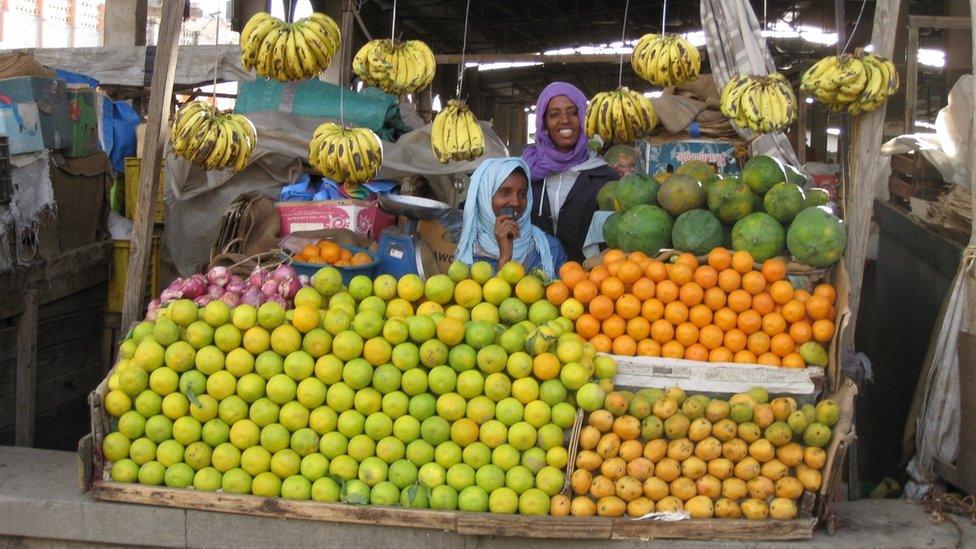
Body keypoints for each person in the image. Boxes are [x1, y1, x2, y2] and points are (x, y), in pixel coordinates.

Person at [523, 82, 619, 263]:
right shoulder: (525, 172)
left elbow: (614, 237)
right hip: (530, 281)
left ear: (585, 118)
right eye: (554, 115)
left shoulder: (605, 177)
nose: (565, 120)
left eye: (573, 112)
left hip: (588, 282)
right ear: (543, 121)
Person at [455, 157, 566, 279]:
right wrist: (505, 257)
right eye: (505, 193)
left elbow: (565, 293)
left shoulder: (549, 250)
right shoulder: (469, 254)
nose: (515, 202)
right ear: (485, 197)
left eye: (522, 194)